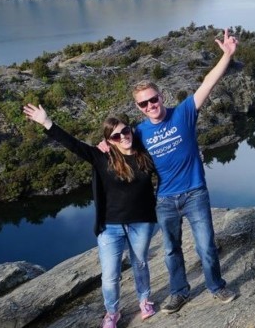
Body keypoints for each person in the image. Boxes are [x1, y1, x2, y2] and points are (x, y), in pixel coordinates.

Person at [131, 27, 239, 313]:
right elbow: (117, 142)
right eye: (144, 103)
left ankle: (216, 286)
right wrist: (105, 144)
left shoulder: (183, 113)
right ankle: (179, 292)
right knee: (170, 250)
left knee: (206, 246)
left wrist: (227, 56)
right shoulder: (139, 132)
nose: (151, 105)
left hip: (194, 193)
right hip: (165, 199)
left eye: (153, 99)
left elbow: (208, 83)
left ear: (161, 96)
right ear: (139, 108)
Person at [22, 104, 157, 328]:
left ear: (131, 130)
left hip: (141, 222)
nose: (123, 137)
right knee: (110, 275)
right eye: (116, 136)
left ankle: (144, 301)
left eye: (125, 131)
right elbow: (73, 145)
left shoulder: (146, 155)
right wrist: (46, 122)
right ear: (109, 140)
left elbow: (167, 164)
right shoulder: (101, 158)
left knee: (140, 264)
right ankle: (112, 312)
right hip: (111, 227)